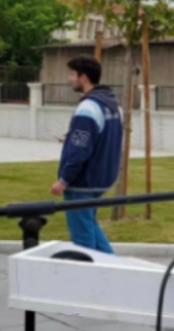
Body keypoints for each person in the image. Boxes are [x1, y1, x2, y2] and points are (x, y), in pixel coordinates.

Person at [50, 56, 123, 254]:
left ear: (83, 78)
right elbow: (105, 140)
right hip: (102, 179)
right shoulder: (113, 106)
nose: (69, 79)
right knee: (90, 226)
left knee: (82, 239)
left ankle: (89, 271)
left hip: (83, 182)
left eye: (72, 74)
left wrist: (64, 180)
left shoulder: (88, 107)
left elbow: (79, 151)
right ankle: (112, 268)